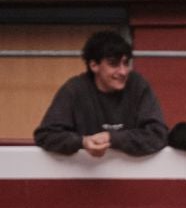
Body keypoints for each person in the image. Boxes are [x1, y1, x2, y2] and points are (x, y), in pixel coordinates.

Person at [33, 30, 167, 157]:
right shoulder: (74, 89)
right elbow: (46, 135)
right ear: (94, 65)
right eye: (113, 64)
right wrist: (82, 142)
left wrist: (111, 138)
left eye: (126, 63)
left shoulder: (138, 85)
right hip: (84, 170)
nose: (123, 72)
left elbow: (158, 135)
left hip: (133, 170)